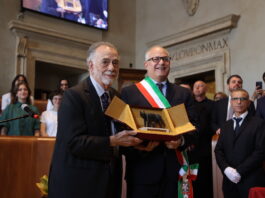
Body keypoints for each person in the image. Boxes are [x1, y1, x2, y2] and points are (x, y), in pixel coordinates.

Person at [48, 42, 142, 198]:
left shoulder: (116, 96)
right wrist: (112, 141)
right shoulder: (73, 96)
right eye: (105, 62)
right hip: (79, 184)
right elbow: (74, 143)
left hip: (110, 183)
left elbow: (120, 135)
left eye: (115, 62)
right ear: (91, 65)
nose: (112, 68)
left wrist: (141, 144)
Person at [121, 46, 197, 198]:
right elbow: (121, 128)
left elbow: (196, 127)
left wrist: (181, 141)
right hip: (142, 170)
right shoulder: (129, 93)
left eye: (165, 59)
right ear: (146, 64)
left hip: (175, 170)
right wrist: (142, 146)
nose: (161, 62)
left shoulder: (184, 93)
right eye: (155, 59)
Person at [215, 89, 265, 198]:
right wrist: (226, 169)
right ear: (231, 102)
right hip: (229, 181)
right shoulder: (225, 125)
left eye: (242, 99)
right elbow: (218, 150)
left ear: (248, 102)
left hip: (251, 180)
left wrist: (239, 171)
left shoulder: (259, 123)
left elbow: (260, 151)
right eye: (235, 99)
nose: (239, 102)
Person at [191, 80, 214, 198]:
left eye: (201, 86)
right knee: (192, 178)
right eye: (196, 86)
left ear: (206, 89)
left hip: (206, 147)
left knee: (205, 177)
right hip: (191, 148)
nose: (198, 88)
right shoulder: (189, 104)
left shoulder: (212, 104)